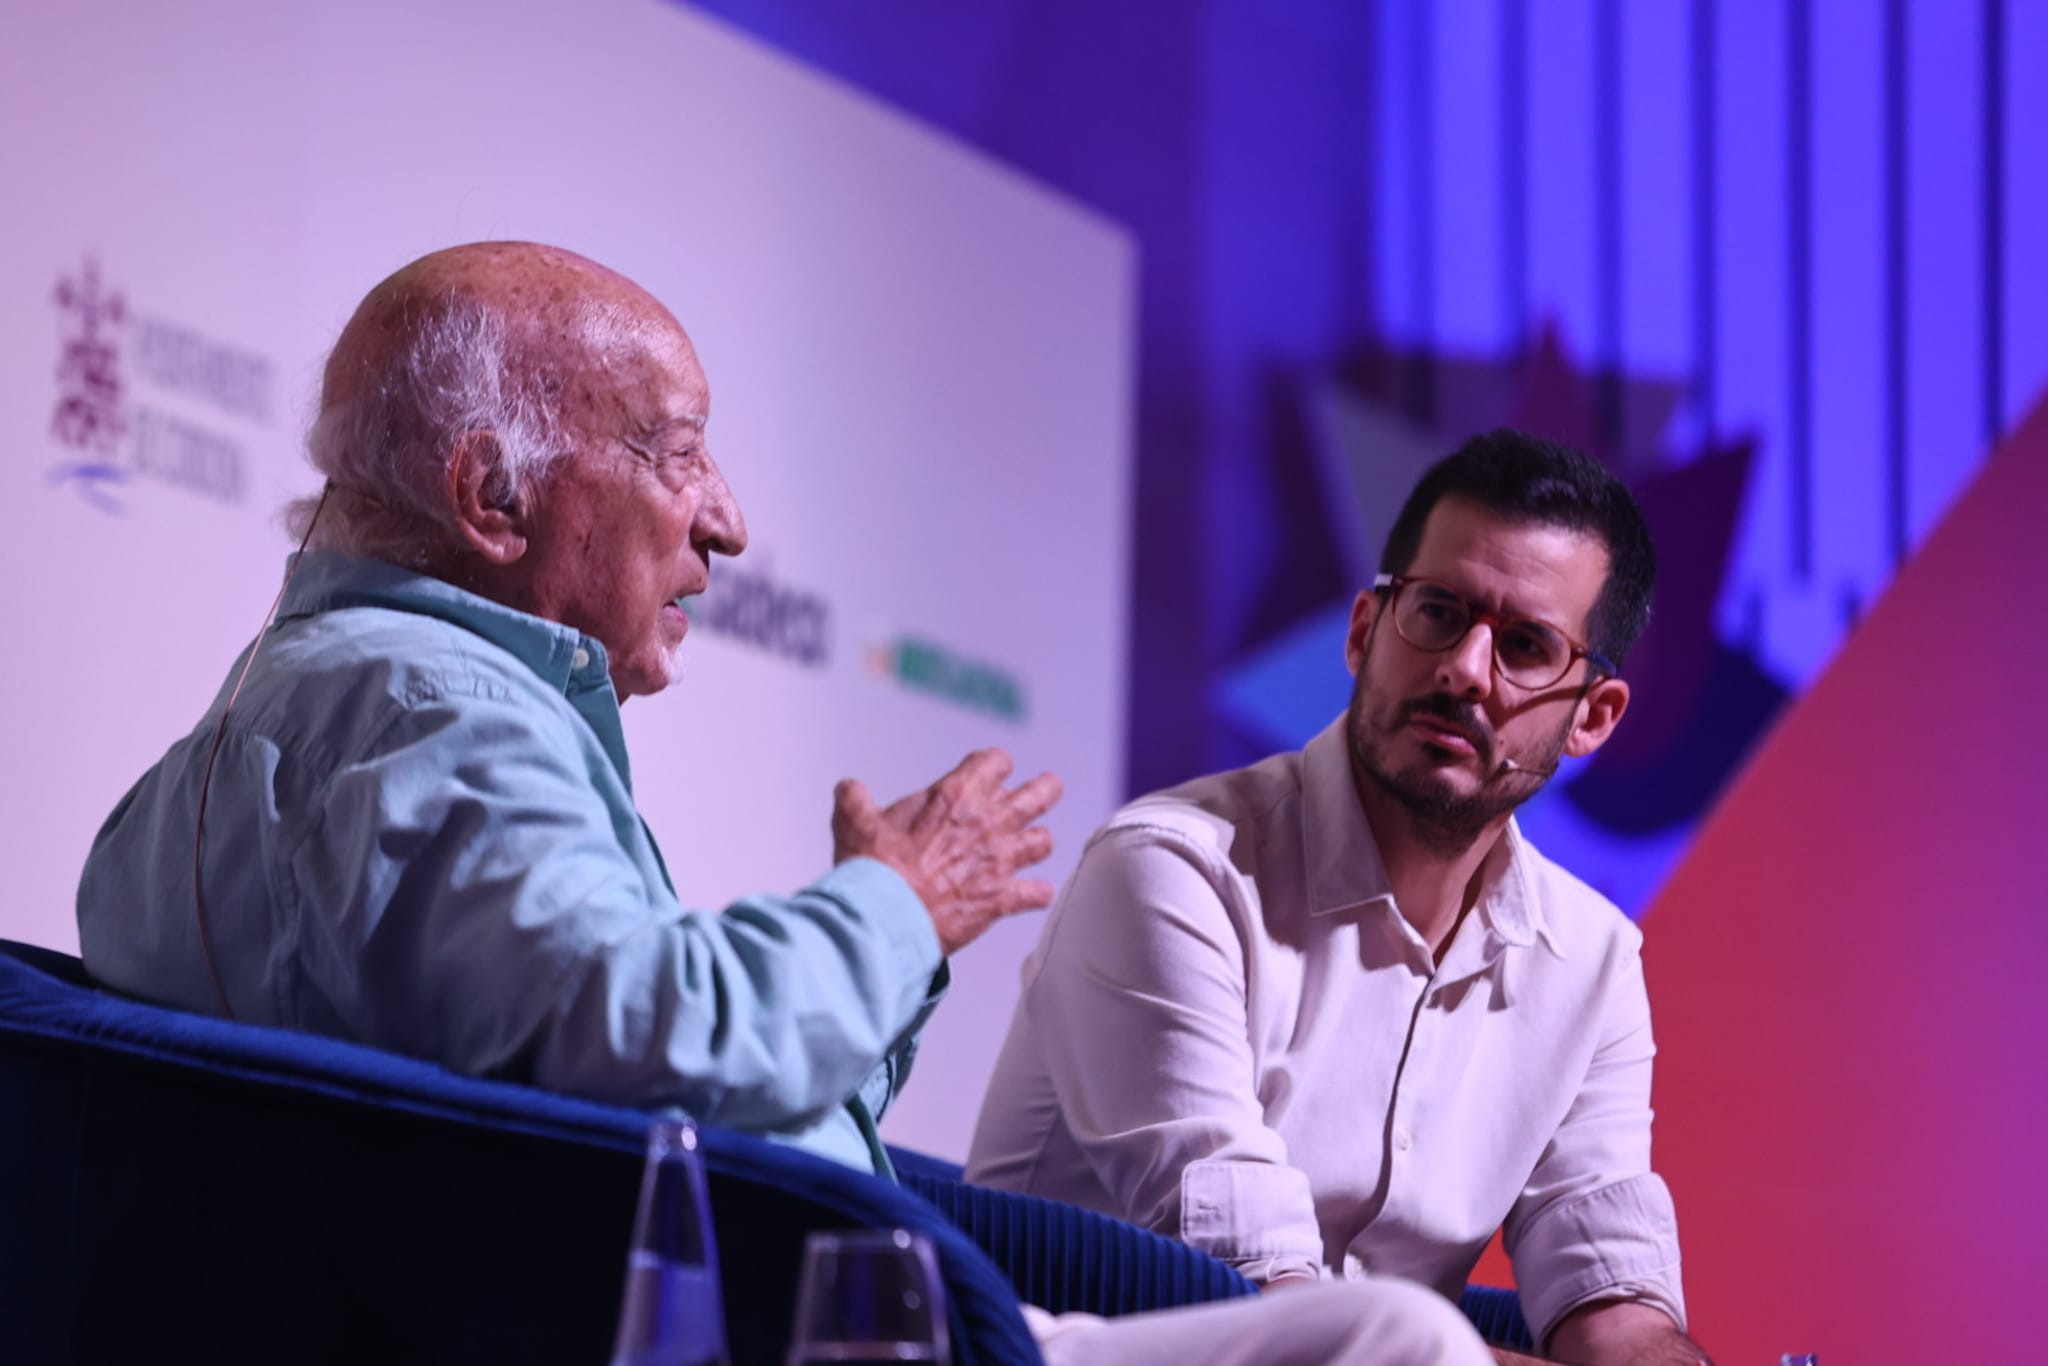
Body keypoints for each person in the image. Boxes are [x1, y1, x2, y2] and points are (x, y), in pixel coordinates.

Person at [76, 242, 1492, 1366]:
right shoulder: (441, 711)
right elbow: (655, 1046)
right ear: (491, 498)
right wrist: (890, 902)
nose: (728, 517)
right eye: (677, 449)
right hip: (743, 1325)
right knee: (1406, 1338)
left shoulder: (233, 753)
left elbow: (618, 1079)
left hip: (693, 1285)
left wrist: (898, 942)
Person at [967, 430, 1714, 1366]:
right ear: (1364, 633)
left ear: (1592, 718)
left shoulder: (1592, 964)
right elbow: (1258, 1288)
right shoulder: (1174, 873)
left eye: (1525, 645)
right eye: (1438, 613)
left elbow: (1618, 1308)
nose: (1465, 671)